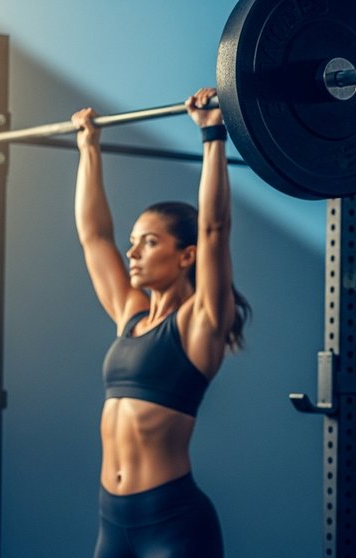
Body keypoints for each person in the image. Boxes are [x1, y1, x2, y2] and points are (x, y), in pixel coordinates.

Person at [72, 87, 250, 558]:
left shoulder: (202, 322)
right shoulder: (129, 316)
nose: (132, 253)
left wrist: (213, 135)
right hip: (112, 519)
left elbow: (215, 228)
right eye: (134, 242)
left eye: (148, 242)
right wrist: (89, 148)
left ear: (186, 255)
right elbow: (94, 237)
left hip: (171, 523)